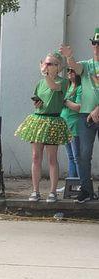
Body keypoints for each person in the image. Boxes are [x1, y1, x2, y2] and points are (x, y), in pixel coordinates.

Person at [15, 52, 71, 203]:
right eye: (45, 63)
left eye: (50, 64)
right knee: (35, 156)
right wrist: (37, 103)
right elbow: (39, 98)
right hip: (38, 120)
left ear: (58, 67)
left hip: (53, 120)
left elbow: (54, 88)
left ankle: (52, 191)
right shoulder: (40, 83)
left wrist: (45, 74)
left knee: (52, 158)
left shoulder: (63, 82)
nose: (46, 66)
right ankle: (35, 190)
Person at [60, 28, 99, 203]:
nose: (97, 47)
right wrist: (69, 56)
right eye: (95, 43)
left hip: (93, 113)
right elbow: (75, 66)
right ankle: (86, 190)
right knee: (83, 155)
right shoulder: (87, 64)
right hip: (85, 116)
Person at [60, 69, 82, 179]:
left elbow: (79, 107)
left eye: (72, 71)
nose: (69, 73)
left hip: (75, 125)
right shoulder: (67, 87)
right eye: (68, 71)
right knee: (70, 156)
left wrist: (65, 101)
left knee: (77, 156)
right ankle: (71, 182)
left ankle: (80, 183)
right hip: (65, 125)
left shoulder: (80, 88)